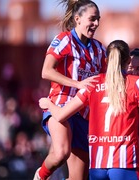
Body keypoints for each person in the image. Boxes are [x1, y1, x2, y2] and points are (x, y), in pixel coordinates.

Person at [38, 40, 139, 180]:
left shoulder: (93, 83)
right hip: (125, 164)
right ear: (127, 62)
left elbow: (60, 115)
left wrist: (48, 104)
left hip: (98, 166)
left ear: (107, 59)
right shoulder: (136, 83)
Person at [33, 0, 107, 179]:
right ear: (77, 19)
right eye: (92, 19)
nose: (96, 23)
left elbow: (108, 78)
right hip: (60, 105)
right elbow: (46, 71)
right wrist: (77, 84)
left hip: (84, 114)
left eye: (98, 19)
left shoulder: (99, 49)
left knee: (78, 177)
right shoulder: (64, 39)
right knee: (61, 153)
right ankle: (40, 176)